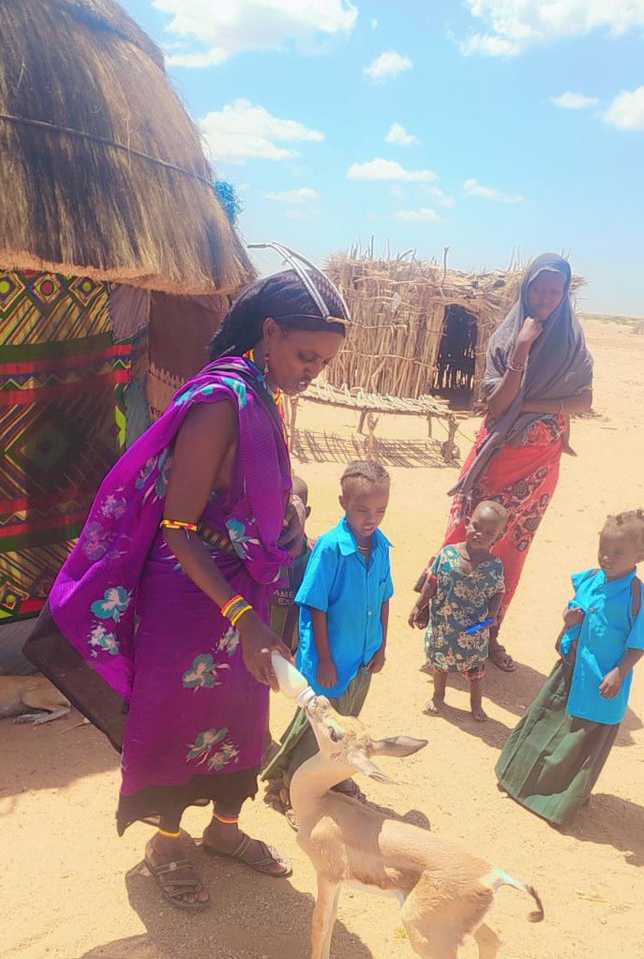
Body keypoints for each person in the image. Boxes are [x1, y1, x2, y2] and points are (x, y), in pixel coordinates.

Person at [25, 256, 350, 908]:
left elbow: (243, 493)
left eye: (323, 362)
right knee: (178, 723)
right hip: (192, 598)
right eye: (305, 356)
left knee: (238, 715)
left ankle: (224, 831)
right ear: (269, 332)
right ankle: (165, 843)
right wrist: (244, 617)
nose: (312, 373)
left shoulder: (263, 395)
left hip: (239, 600)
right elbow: (177, 525)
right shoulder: (220, 403)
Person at [416, 253, 593, 673]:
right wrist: (521, 349)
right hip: (495, 461)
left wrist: (530, 403)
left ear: (565, 293)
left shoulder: (572, 341)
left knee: (510, 553)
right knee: (463, 535)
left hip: (539, 469)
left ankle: (488, 633)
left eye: (555, 291)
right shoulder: (506, 336)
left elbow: (584, 401)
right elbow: (496, 406)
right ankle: (437, 619)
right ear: (525, 289)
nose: (547, 298)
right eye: (539, 289)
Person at [496, 510, 644, 827]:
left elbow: (638, 642)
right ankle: (516, 779)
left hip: (601, 682)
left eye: (618, 552)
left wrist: (619, 671)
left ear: (640, 555)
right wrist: (568, 621)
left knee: (579, 742)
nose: (607, 557)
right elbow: (573, 611)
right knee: (544, 723)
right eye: (603, 548)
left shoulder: (636, 596)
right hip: (569, 669)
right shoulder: (590, 579)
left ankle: (556, 803)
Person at [262, 459, 392, 815]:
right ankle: (288, 790)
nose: (371, 518)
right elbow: (314, 606)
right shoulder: (331, 548)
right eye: (362, 509)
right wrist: (326, 659)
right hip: (330, 660)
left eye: (380, 510)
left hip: (361, 658)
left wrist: (381, 645)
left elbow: (384, 597)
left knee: (345, 723)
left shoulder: (381, 547)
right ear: (342, 504)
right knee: (316, 729)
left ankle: (329, 777)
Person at [409, 500, 507, 721]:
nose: (479, 534)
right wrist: (418, 605)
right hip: (445, 625)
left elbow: (498, 591)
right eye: (476, 526)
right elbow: (432, 582)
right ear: (466, 523)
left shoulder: (494, 566)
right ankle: (438, 696)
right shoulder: (447, 555)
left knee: (476, 671)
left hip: (474, 631)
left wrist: (492, 615)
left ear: (498, 538)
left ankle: (476, 704)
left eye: (489, 532)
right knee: (440, 665)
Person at [269, 476, 313, 654]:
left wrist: (288, 639)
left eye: (293, 510)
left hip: (293, 644)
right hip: (261, 638)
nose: (285, 519)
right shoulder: (264, 551)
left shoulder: (311, 555)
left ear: (306, 512)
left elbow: (302, 600)